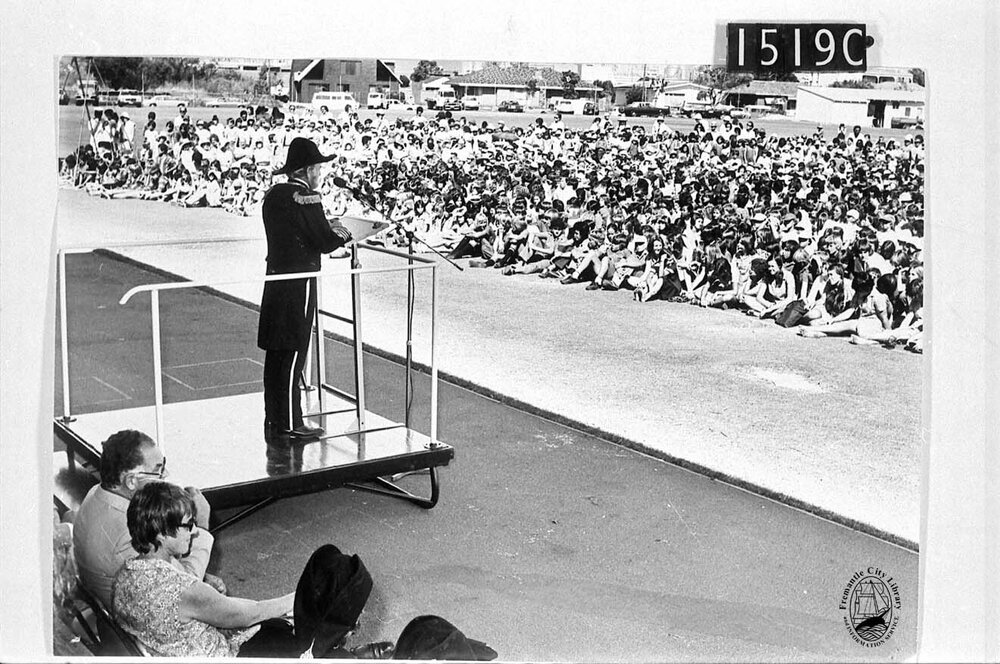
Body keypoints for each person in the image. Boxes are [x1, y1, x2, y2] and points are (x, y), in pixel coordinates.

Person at [111, 482, 387, 658]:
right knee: (309, 616)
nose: (194, 531)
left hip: (172, 649)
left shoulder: (127, 573)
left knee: (287, 625)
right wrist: (301, 598)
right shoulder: (185, 592)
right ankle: (343, 654)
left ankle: (338, 646)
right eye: (187, 525)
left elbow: (172, 599)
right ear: (161, 533)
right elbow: (250, 613)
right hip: (227, 655)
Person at [258, 137, 353, 440]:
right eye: (319, 168)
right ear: (309, 169)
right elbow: (324, 242)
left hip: (275, 280)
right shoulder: (306, 197)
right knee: (293, 352)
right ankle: (291, 421)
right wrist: (343, 233)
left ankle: (274, 416)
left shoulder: (275, 194)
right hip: (299, 283)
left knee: (276, 353)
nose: (321, 173)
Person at [72, 429, 222, 609]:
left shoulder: (96, 493)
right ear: (131, 481)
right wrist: (202, 525)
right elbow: (182, 588)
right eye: (157, 470)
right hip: (136, 620)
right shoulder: (129, 533)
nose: (165, 474)